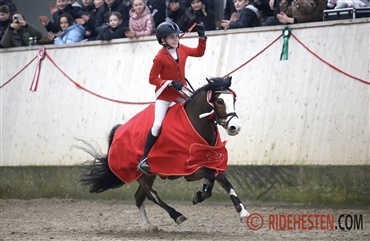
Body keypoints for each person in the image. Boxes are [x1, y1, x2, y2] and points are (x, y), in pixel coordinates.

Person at [137, 21, 207, 173]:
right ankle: (144, 158)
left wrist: (202, 37)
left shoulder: (182, 49)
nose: (176, 39)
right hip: (165, 96)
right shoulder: (160, 57)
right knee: (158, 124)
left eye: (176, 36)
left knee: (194, 113)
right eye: (171, 37)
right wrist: (168, 82)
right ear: (163, 40)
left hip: (181, 92)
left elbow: (199, 52)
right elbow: (152, 78)